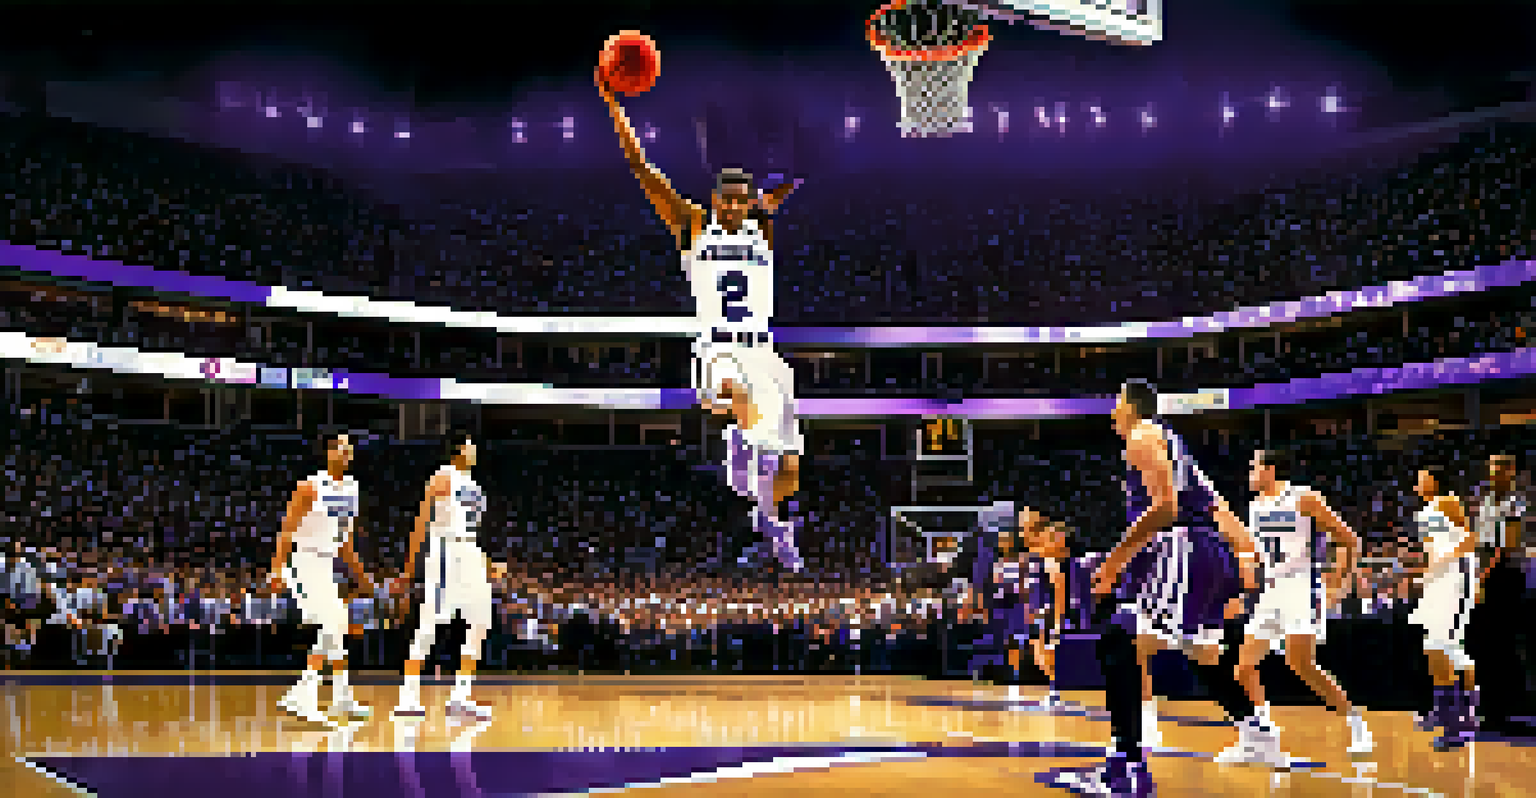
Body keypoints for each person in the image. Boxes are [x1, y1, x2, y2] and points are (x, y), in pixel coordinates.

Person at [598, 69, 805, 572]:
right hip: (718, 347)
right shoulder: (691, 223)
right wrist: (616, 109)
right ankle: (742, 450)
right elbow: (643, 168)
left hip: (764, 350)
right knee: (739, 399)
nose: (734, 205)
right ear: (715, 200)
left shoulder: (764, 231)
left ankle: (774, 527)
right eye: (726, 198)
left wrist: (774, 201)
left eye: (742, 199)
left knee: (792, 467)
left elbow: (775, 198)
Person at [1043, 380, 1260, 796]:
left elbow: (1165, 508)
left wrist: (1114, 561)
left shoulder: (1142, 435)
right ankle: (1258, 731)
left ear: (1131, 407)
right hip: (1207, 551)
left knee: (1117, 638)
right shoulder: (1177, 446)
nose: (1112, 412)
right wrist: (1246, 555)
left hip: (1181, 548)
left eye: (1116, 403)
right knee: (1203, 652)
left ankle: (1123, 766)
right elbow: (1217, 506)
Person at [1222, 449, 1371, 765]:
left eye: (1255, 466)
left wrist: (1339, 583)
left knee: (1301, 664)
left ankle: (1356, 722)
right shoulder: (1254, 506)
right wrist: (1241, 590)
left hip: (1301, 586)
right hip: (1270, 590)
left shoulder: (1304, 498)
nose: (1250, 472)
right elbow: (1256, 556)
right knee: (1243, 667)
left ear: (1271, 470)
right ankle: (1261, 740)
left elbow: (1349, 539)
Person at [393, 432, 508, 721]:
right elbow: (422, 519)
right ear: (458, 450)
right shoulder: (443, 476)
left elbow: (471, 533)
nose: (475, 450)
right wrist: (409, 567)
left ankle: (461, 697)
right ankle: (407, 697)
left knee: (481, 622)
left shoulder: (476, 487)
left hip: (469, 552)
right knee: (431, 621)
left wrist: (487, 564)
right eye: (471, 445)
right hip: (444, 549)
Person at [271, 433, 374, 724]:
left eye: (348, 449)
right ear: (328, 452)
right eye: (339, 448)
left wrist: (362, 576)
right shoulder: (309, 486)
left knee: (337, 626)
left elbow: (346, 542)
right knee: (334, 622)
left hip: (326, 563)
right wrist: (277, 568)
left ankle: (337, 697)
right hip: (302, 560)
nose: (345, 453)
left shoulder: (353, 489)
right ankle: (304, 695)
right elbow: (287, 530)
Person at [1407, 468, 1480, 750]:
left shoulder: (1448, 501)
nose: (1418, 481)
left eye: (1423, 477)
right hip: (1438, 581)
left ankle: (1459, 724)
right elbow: (1429, 551)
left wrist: (1444, 561)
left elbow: (1469, 541)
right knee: (1435, 648)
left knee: (1445, 648)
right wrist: (1427, 573)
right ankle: (1445, 711)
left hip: (1456, 579)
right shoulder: (1422, 514)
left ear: (1436, 481)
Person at [1468, 453, 1532, 734]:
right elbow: (1479, 542)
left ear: (1512, 472)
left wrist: (1483, 577)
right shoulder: (1485, 503)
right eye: (1494, 465)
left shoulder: (1514, 504)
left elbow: (1507, 546)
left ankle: (1506, 713)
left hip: (1504, 577)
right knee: (1485, 647)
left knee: (1502, 646)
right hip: (1484, 577)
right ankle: (1491, 711)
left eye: (1503, 466)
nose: (1497, 471)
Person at [1017, 508, 1071, 707]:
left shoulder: (1050, 562)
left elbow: (1059, 587)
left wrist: (1057, 620)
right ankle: (1054, 689)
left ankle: (1056, 691)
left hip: (1046, 613)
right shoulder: (1033, 556)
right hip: (1037, 612)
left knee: (1048, 656)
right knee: (1039, 656)